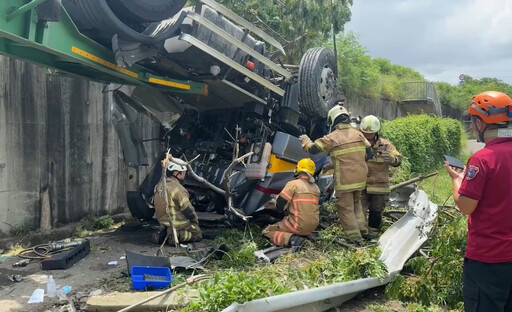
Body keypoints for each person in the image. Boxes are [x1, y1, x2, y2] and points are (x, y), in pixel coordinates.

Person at [444, 91, 512, 312]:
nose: (472, 128)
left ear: (481, 123)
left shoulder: (482, 160)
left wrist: (457, 180)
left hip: (488, 259)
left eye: (472, 122)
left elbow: (465, 206)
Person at [299, 105, 371, 245]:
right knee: (356, 205)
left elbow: (313, 150)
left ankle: (355, 239)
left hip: (346, 180)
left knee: (345, 208)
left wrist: (305, 141)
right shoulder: (358, 134)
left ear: (333, 121)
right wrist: (335, 164)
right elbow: (368, 155)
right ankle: (364, 232)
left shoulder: (332, 137)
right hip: (361, 178)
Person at [262, 158, 320, 247]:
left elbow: (280, 206)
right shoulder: (316, 188)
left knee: (267, 231)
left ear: (298, 169)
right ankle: (299, 235)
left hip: (297, 225)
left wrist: (272, 205)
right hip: (312, 227)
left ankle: (294, 240)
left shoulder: (293, 184)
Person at [359, 115, 401, 236]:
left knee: (376, 212)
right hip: (361, 184)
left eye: (370, 135)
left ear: (376, 133)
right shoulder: (357, 144)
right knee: (359, 211)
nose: (368, 139)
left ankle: (373, 235)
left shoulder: (386, 145)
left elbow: (398, 159)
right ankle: (361, 235)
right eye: (365, 134)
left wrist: (392, 159)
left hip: (379, 186)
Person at [153, 158, 202, 245]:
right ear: (177, 173)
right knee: (197, 234)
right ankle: (178, 235)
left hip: (163, 222)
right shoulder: (179, 189)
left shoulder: (159, 185)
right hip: (177, 223)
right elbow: (188, 210)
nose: (184, 175)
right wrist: (195, 220)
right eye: (183, 173)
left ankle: (165, 233)